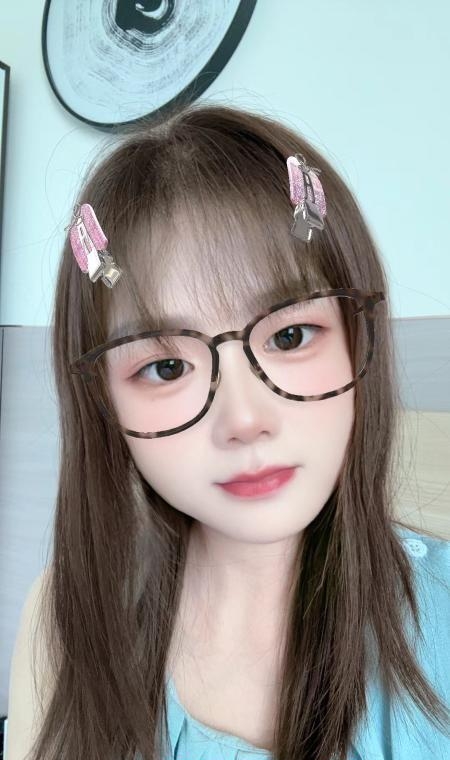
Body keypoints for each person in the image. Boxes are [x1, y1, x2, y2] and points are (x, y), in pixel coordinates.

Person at [6, 101, 449, 760]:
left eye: (291, 336)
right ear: (103, 402)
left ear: (357, 338)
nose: (244, 420)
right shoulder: (67, 618)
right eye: (165, 367)